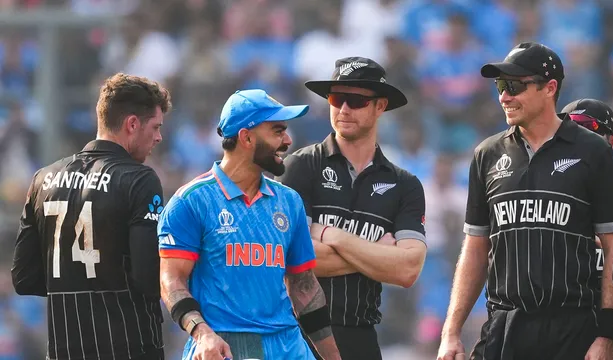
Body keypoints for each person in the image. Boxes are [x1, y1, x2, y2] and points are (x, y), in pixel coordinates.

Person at [437, 42, 613, 360]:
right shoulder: (487, 154)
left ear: (549, 88)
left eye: (514, 86)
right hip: (503, 327)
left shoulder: (593, 151)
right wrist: (451, 332)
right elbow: (474, 249)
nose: (504, 96)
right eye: (501, 86)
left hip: (573, 328)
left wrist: (607, 335)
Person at [157, 89, 342, 360]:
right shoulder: (192, 201)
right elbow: (171, 280)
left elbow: (304, 287)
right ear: (246, 137)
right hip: (224, 346)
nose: (288, 140)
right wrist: (202, 333)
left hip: (289, 346)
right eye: (277, 131)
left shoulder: (289, 202)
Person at [275, 56, 428, 360]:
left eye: (355, 100)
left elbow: (408, 270)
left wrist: (331, 235)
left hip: (361, 335)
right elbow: (290, 258)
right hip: (295, 334)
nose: (343, 109)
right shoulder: (300, 167)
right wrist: (377, 253)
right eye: (336, 98)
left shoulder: (405, 184)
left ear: (380, 106)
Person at [11, 72, 172, 360]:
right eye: (156, 127)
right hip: (129, 348)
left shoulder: (43, 179)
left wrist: (75, 287)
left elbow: (24, 278)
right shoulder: (139, 179)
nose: (159, 137)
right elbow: (148, 280)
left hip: (63, 350)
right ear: (132, 124)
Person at [563, 98, 613, 360]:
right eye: (569, 132)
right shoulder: (548, 197)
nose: (580, 142)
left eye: (590, 132)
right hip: (562, 337)